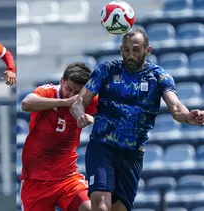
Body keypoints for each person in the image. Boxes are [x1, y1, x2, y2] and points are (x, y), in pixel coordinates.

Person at [70, 28, 204, 211]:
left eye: (136, 50)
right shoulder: (106, 70)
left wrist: (187, 116)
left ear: (147, 50)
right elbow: (79, 102)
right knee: (101, 206)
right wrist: (80, 115)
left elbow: (175, 106)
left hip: (132, 154)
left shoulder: (158, 77)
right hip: (102, 147)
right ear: (121, 49)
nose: (130, 55)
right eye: (126, 50)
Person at [20, 62, 98, 211]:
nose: (71, 95)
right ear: (62, 81)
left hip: (67, 178)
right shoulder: (48, 92)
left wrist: (94, 119)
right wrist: (65, 102)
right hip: (35, 180)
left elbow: (113, 113)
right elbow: (26, 103)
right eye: (68, 88)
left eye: (77, 92)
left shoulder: (87, 100)